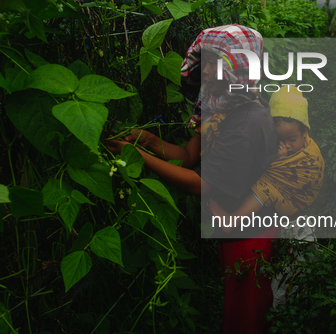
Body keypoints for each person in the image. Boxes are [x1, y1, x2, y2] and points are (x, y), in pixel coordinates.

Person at [106, 25, 278, 334]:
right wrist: (147, 140)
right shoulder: (223, 107)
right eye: (207, 60)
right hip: (234, 227)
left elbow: (201, 184)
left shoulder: (245, 124)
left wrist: (137, 157)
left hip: (252, 236)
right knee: (241, 307)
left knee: (245, 316)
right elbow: (188, 156)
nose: (207, 70)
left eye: (217, 63)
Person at [208, 86, 325, 305]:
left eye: (292, 139)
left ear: (305, 133)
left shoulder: (309, 155)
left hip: (294, 207)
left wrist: (277, 159)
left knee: (266, 187)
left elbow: (308, 175)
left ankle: (232, 219)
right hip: (278, 216)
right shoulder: (277, 142)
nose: (287, 147)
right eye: (280, 141)